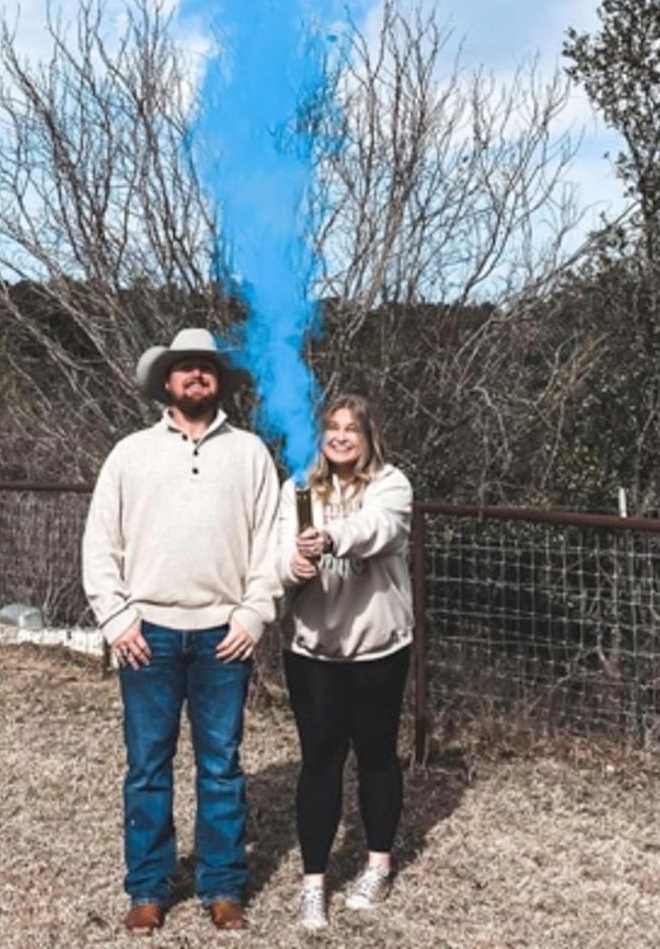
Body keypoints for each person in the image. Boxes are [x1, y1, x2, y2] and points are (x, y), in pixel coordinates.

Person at [82, 328, 282, 936]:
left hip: (224, 635)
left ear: (219, 381)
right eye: (184, 368)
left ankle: (222, 887)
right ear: (165, 381)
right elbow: (99, 545)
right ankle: (148, 888)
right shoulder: (129, 453)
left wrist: (252, 614)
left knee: (221, 765)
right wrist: (118, 619)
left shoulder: (249, 453)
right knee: (148, 765)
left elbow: (271, 543)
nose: (196, 376)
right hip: (149, 635)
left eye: (206, 368)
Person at [277, 393, 414, 931]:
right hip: (311, 650)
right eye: (332, 427)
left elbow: (378, 529)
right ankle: (314, 883)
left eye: (351, 429)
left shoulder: (391, 484)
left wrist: (332, 536)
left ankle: (378, 862)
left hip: (379, 648)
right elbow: (273, 554)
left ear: (368, 436)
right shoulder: (297, 490)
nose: (340, 437)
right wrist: (292, 565)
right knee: (319, 759)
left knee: (376, 754)